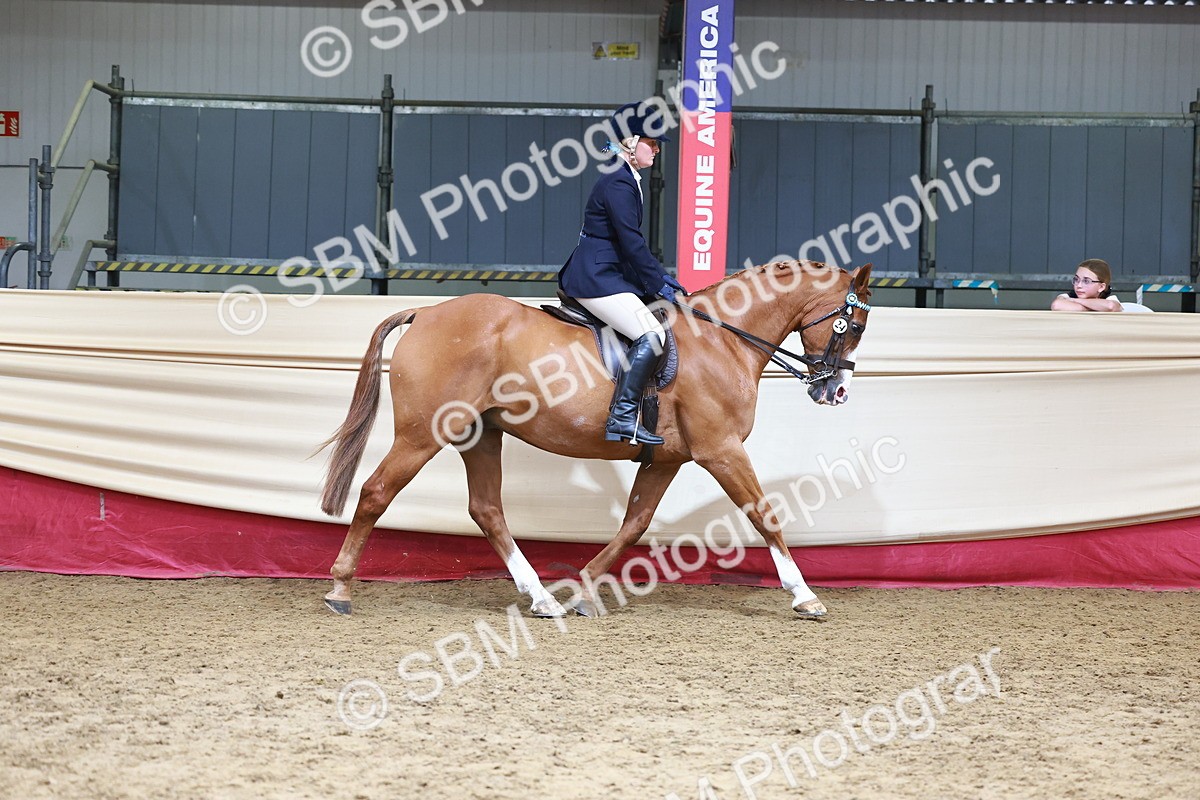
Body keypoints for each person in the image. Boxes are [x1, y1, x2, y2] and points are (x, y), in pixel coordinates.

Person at [558, 102, 687, 446]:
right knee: (650, 335)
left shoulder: (626, 178)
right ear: (630, 143)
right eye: (651, 142)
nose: (657, 149)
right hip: (596, 277)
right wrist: (657, 280)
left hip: (609, 272)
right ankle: (623, 417)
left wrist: (656, 279)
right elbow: (631, 242)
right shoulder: (618, 183)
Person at [1051, 259, 1122, 312]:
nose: (1079, 285)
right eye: (1076, 279)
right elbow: (1056, 305)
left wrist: (1075, 301)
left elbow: (1110, 306)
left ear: (1101, 287)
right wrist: (1097, 307)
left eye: (1086, 281)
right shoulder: (1068, 296)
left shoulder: (1110, 298)